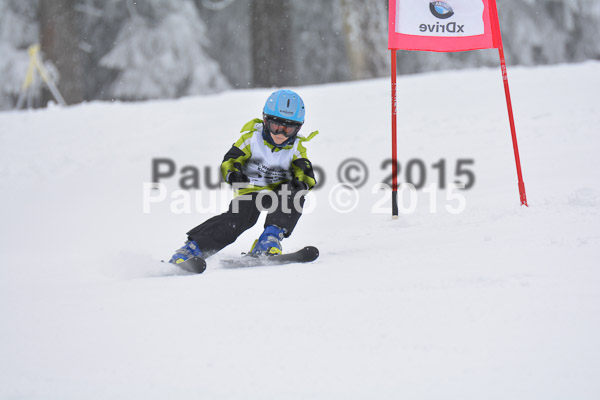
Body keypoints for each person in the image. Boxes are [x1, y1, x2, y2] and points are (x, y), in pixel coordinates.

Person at [169, 89, 318, 265]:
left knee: (292, 195)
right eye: (276, 126)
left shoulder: (296, 148)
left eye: (288, 129)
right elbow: (230, 160)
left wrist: (302, 183)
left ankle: (269, 241)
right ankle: (191, 249)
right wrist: (234, 173)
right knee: (238, 220)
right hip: (251, 190)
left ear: (298, 128)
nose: (280, 134)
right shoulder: (251, 139)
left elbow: (305, 170)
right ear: (265, 120)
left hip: (280, 191)